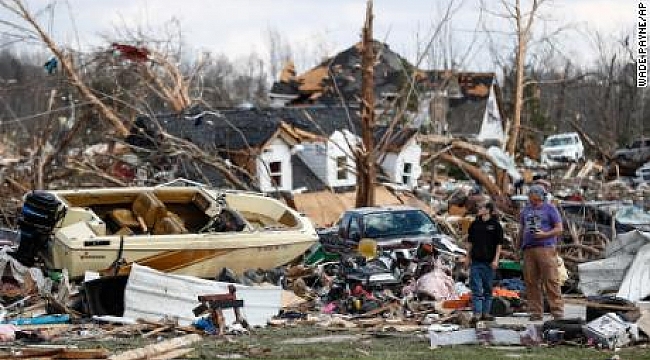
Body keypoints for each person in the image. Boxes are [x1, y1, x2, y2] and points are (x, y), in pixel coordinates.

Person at [517, 185, 564, 321]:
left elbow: (559, 228)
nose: (530, 197)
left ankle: (557, 311)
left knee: (550, 279)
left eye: (532, 194)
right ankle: (535, 312)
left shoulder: (550, 209)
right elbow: (521, 230)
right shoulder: (526, 210)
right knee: (531, 281)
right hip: (528, 249)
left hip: (546, 248)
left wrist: (545, 234)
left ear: (539, 195)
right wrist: (518, 247)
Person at [465, 202, 504, 322]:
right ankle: (477, 314)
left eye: (481, 207)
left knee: (488, 289)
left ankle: (486, 313)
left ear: (488, 210)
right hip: (476, 262)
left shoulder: (496, 225)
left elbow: (499, 244)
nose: (479, 209)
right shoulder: (474, 225)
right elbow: (470, 243)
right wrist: (467, 257)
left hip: (489, 262)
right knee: (476, 288)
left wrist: (496, 260)